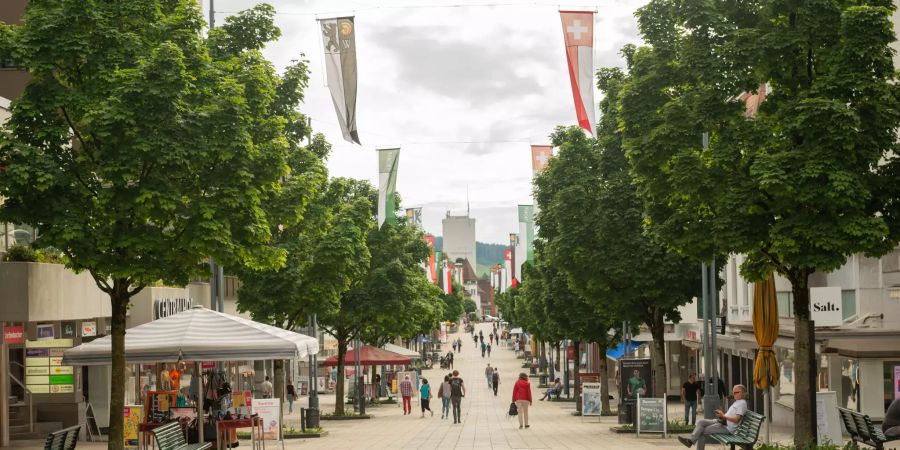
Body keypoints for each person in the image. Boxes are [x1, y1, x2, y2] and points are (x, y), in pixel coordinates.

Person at [678, 384, 749, 449]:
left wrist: (724, 416)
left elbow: (736, 419)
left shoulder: (742, 404)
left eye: (737, 392)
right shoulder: (737, 402)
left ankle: (690, 441)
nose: (734, 394)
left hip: (727, 428)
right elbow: (729, 415)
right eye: (733, 392)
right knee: (701, 422)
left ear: (743, 393)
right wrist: (722, 414)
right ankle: (690, 441)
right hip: (722, 422)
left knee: (701, 431)